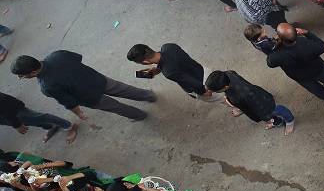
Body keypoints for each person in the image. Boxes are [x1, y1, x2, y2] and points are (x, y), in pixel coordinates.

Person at [11, 51, 156, 122]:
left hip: (91, 98)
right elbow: (78, 58)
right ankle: (150, 96)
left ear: (34, 72)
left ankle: (139, 115)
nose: (21, 78)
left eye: (22, 75)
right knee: (125, 89)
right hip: (97, 79)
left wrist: (78, 113)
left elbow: (69, 101)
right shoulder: (57, 55)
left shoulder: (46, 86)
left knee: (117, 107)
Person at [267, 23, 324, 102]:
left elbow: (270, 63)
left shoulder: (276, 55)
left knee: (314, 88)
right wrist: (307, 33)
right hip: (318, 69)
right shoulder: (306, 43)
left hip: (300, 76)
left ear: (280, 39)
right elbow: (322, 46)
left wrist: (274, 46)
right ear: (297, 33)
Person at [204, 70, 294, 136]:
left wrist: (266, 117)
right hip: (254, 96)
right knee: (272, 115)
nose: (213, 92)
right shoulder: (228, 74)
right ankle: (277, 122)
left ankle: (290, 121)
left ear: (226, 87)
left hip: (262, 103)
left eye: (216, 91)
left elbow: (257, 106)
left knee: (276, 110)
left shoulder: (244, 96)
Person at [126, 44, 222, 104]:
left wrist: (203, 92)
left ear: (146, 62)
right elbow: (173, 61)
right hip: (204, 71)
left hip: (203, 84)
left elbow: (193, 83)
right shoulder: (168, 47)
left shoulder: (169, 72)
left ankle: (236, 106)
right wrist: (158, 69)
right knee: (223, 87)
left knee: (221, 98)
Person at [0, 90, 78, 144]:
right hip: (3, 116)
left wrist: (16, 125)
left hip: (7, 108)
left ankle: (69, 126)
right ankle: (50, 127)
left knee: (37, 117)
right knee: (28, 121)